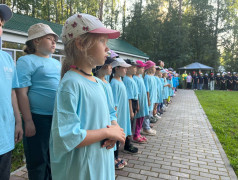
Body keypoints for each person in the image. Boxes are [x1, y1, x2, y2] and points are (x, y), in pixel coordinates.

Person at [50, 13, 125, 180]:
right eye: (102, 41)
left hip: (100, 164)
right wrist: (108, 133)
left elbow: (110, 115)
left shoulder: (100, 84)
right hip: (81, 170)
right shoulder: (71, 84)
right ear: (81, 43)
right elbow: (68, 136)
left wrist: (114, 129)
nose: (108, 49)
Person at [16, 23, 60, 180]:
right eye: (49, 38)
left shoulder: (56, 63)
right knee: (38, 161)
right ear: (35, 41)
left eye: (55, 39)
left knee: (54, 159)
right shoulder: (26, 61)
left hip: (56, 118)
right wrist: (28, 121)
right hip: (37, 118)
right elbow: (22, 93)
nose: (54, 42)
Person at [0, 4, 23, 180]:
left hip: (4, 138)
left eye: (1, 24)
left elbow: (12, 93)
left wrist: (18, 121)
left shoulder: (7, 59)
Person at [110, 58, 138, 155]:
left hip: (123, 113)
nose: (126, 70)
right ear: (117, 68)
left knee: (121, 133)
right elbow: (114, 103)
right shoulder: (114, 83)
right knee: (116, 136)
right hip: (119, 115)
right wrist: (115, 117)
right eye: (124, 68)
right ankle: (115, 157)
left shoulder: (120, 81)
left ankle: (116, 156)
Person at [133, 60, 149, 143]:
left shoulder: (140, 77)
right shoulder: (135, 78)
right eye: (142, 67)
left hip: (143, 100)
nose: (143, 69)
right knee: (138, 118)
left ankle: (138, 133)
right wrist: (138, 103)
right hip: (139, 101)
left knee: (142, 117)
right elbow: (136, 92)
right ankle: (135, 135)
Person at [141, 61, 157, 135]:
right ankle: (146, 128)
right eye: (154, 67)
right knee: (147, 114)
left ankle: (147, 126)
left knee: (149, 113)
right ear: (150, 68)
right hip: (149, 98)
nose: (155, 69)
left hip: (152, 98)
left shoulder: (152, 77)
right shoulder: (147, 77)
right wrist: (148, 99)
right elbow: (147, 90)